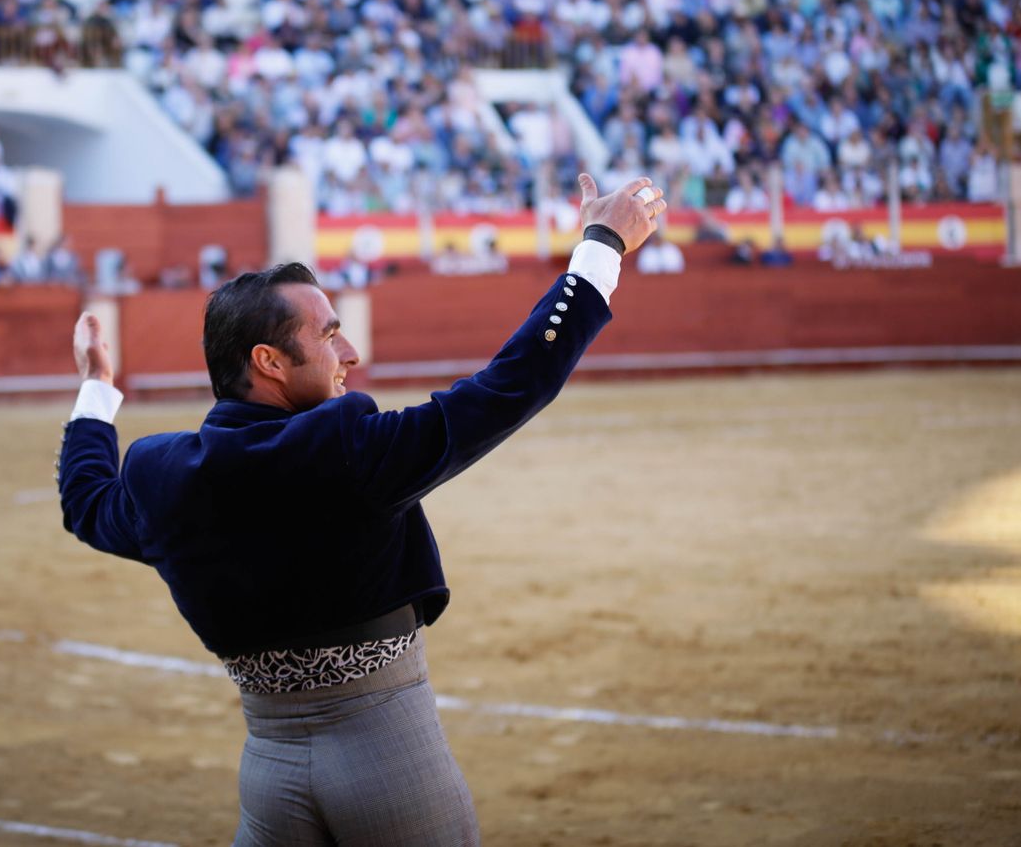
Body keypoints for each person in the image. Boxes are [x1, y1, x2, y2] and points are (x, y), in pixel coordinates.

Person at [57, 174, 665, 845]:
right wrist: (601, 247)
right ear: (270, 362)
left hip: (269, 771)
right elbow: (511, 384)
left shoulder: (159, 472)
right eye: (329, 336)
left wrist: (95, 392)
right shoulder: (344, 446)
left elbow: (86, 503)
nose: (350, 354)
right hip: (389, 762)